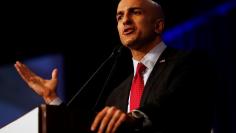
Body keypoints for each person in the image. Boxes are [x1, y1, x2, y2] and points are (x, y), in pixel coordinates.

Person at [14, 0, 214, 132]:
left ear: (158, 26)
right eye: (119, 16)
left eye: (135, 12)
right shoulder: (117, 94)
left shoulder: (189, 63)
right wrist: (53, 100)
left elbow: (175, 105)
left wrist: (135, 118)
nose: (125, 19)